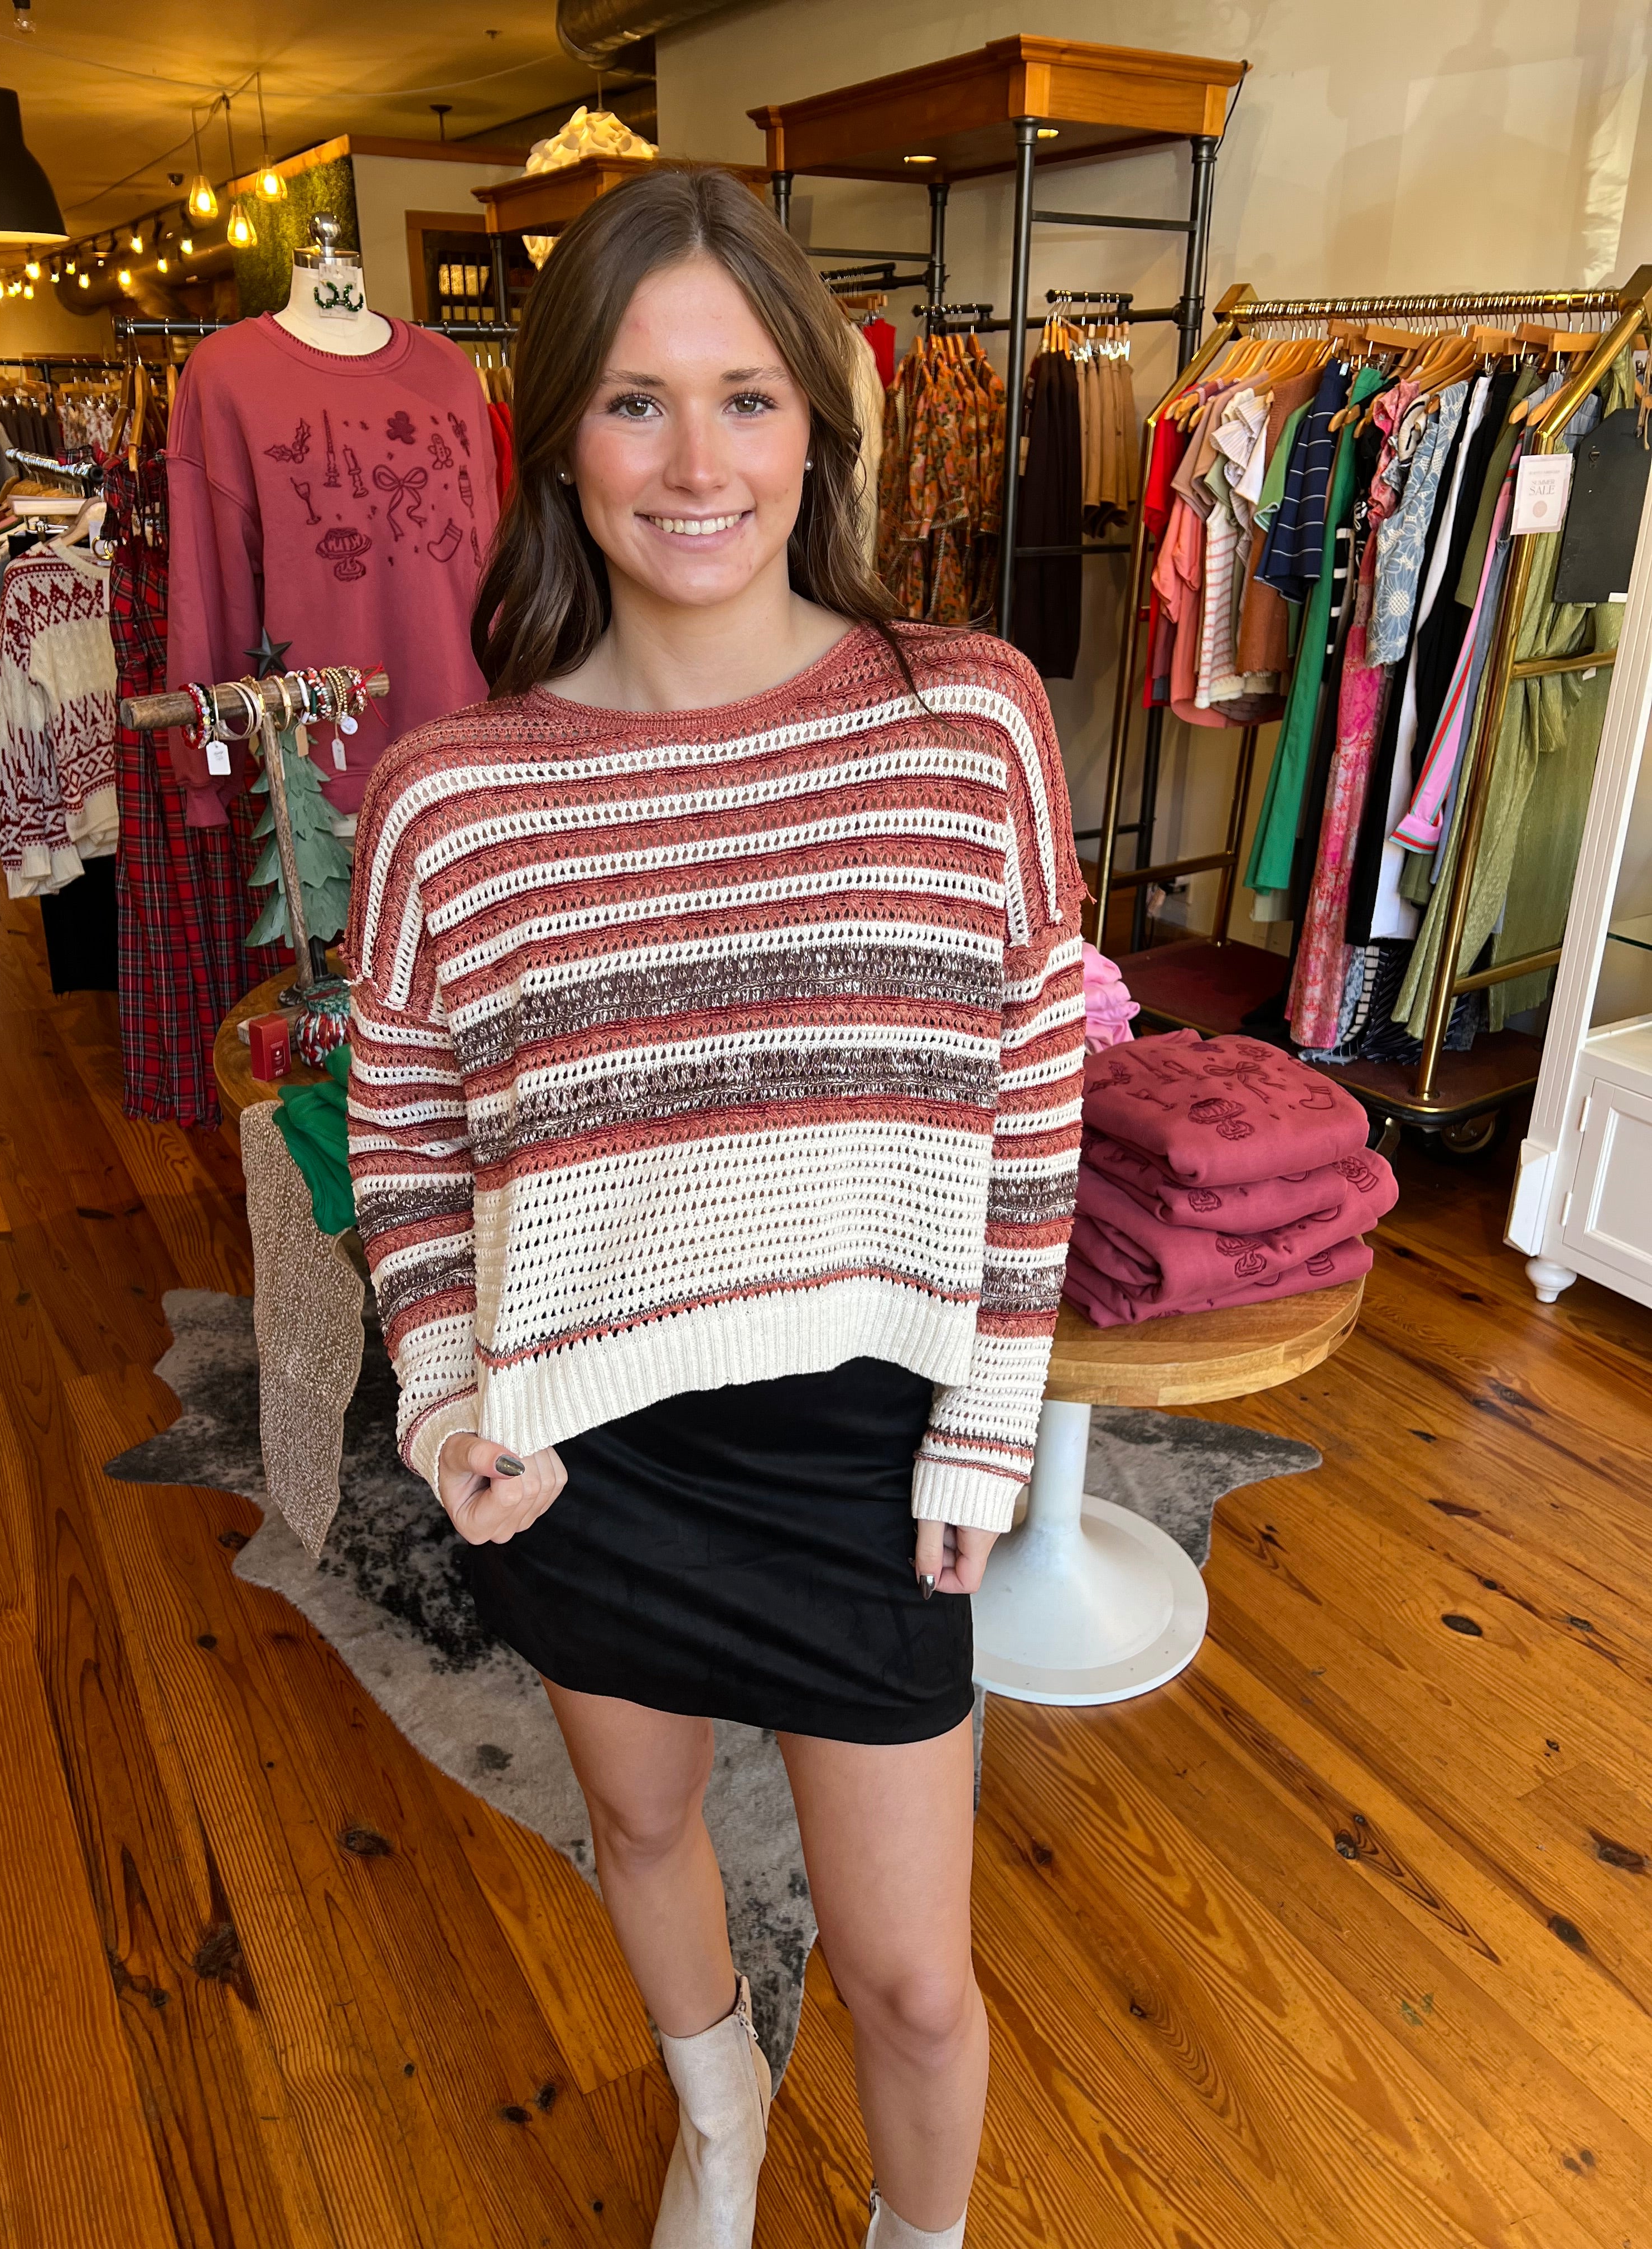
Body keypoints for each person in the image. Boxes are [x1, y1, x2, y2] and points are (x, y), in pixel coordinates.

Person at [345, 166, 1086, 2249]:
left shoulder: (968, 718)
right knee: (643, 1825)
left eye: (748, 398)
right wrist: (446, 1392)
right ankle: (720, 2116)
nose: (698, 465)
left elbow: (1037, 1088)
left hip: (869, 1449)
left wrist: (988, 1419)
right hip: (592, 1447)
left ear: (818, 425)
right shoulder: (449, 798)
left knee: (915, 1982)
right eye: (637, 403)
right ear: (559, 441)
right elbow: (400, 1127)